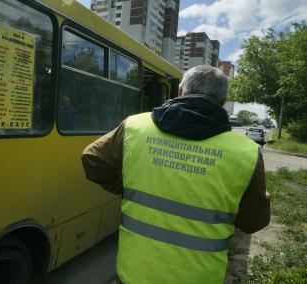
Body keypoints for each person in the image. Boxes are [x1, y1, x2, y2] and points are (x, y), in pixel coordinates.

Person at [81, 65, 270, 284]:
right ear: (224, 100)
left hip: (134, 274)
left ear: (180, 91)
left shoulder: (134, 126)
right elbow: (254, 222)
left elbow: (92, 159)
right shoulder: (246, 152)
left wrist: (127, 187)